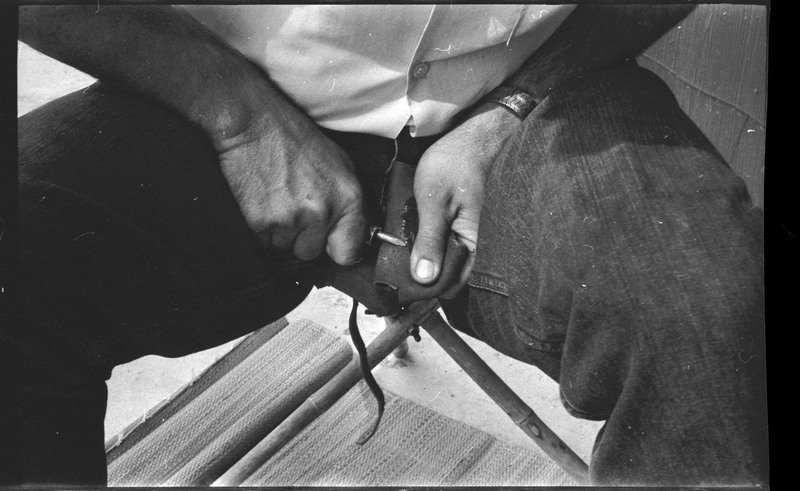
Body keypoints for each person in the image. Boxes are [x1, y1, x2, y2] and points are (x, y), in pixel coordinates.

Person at [5, 4, 767, 486]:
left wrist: (507, 111)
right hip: (229, 96)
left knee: (700, 305)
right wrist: (240, 118)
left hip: (523, 99)